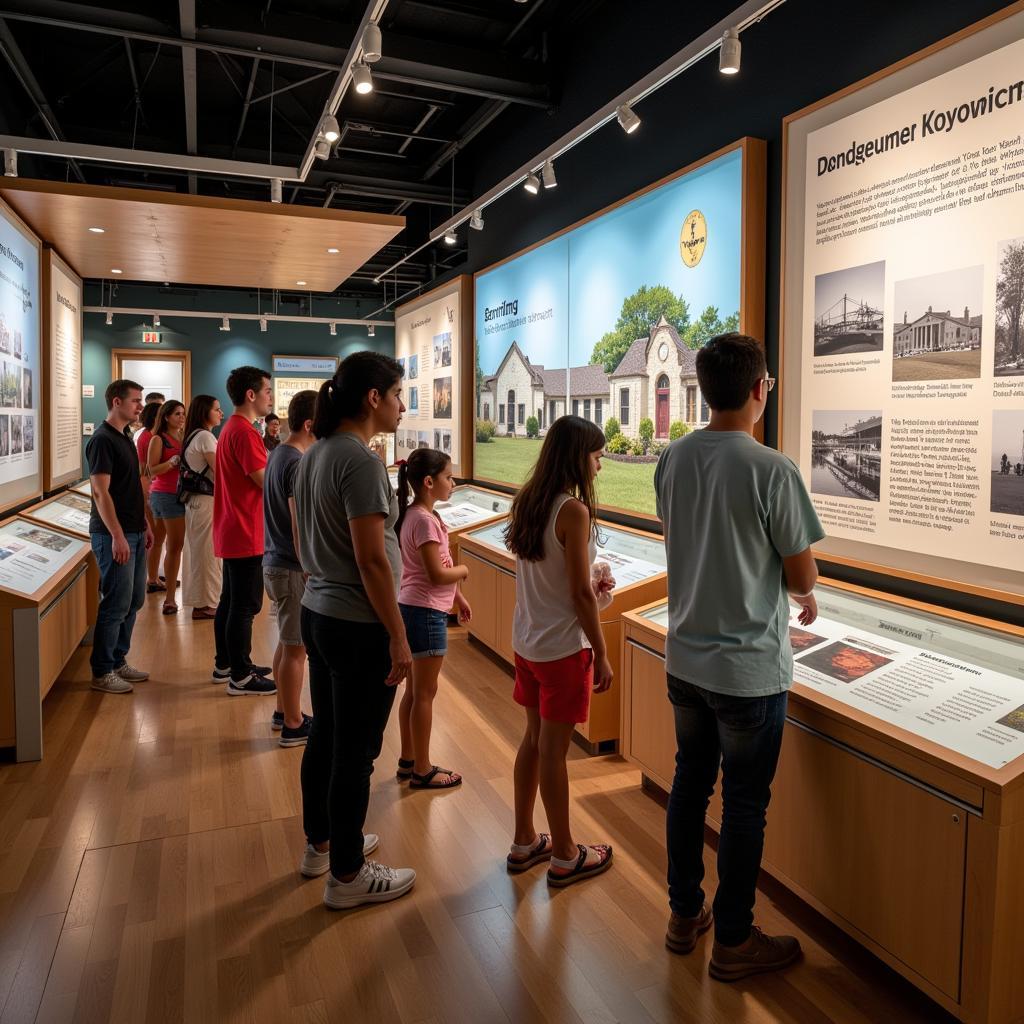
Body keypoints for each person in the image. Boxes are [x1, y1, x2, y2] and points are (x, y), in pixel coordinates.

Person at [653, 333, 824, 981]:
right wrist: (803, 594)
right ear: (759, 391)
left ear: (700, 389)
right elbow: (800, 570)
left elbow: (689, 539)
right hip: (748, 673)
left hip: (685, 663)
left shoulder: (673, 458)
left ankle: (682, 915)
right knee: (745, 805)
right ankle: (733, 938)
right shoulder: (772, 469)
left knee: (689, 786)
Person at [293, 351, 415, 910]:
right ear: (374, 398)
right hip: (357, 623)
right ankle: (347, 874)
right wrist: (398, 634)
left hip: (319, 611)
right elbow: (372, 560)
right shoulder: (361, 462)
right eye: (397, 393)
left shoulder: (316, 454)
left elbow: (306, 544)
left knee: (326, 734)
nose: (401, 404)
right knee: (356, 752)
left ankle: (325, 842)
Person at [503, 415, 615, 888]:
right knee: (553, 753)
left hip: (528, 643)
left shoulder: (530, 500)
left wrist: (590, 587)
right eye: (596, 457)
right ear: (577, 457)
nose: (599, 467)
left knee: (533, 743)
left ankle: (525, 838)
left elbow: (556, 582)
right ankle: (566, 853)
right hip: (561, 652)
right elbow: (579, 596)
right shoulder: (573, 511)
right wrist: (603, 652)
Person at [394, 448, 473, 789]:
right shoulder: (424, 521)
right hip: (425, 613)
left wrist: (459, 597)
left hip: (419, 608)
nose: (452, 483)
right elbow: (437, 573)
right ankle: (422, 769)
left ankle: (409, 758)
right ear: (429, 482)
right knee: (424, 693)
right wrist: (464, 571)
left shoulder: (420, 515)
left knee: (414, 692)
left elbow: (434, 570)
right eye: (448, 477)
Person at [212, 366, 276, 695]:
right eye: (267, 391)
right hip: (245, 528)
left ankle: (227, 662)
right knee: (245, 605)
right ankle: (240, 674)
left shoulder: (231, 428)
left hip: (234, 526)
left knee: (231, 600)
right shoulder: (245, 432)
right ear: (251, 395)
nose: (271, 398)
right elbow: (265, 482)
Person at [86, 380, 154, 694]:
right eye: (135, 401)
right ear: (117, 401)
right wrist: (117, 535)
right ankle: (102, 671)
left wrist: (144, 525)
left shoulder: (125, 436)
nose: (141, 406)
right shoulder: (102, 439)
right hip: (114, 534)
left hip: (134, 531)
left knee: (135, 599)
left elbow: (129, 488)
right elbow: (101, 492)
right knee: (115, 602)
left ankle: (118, 660)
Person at [264, 390, 317, 747]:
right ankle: (294, 724)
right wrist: (308, 564)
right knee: (297, 648)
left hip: (276, 561)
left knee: (287, 643)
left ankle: (284, 710)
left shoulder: (279, 454)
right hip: (290, 565)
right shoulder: (296, 462)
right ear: (311, 425)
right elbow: (299, 522)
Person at [181, 394, 223, 620]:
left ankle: (203, 601)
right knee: (207, 554)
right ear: (205, 411)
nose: (221, 413)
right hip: (206, 501)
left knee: (200, 552)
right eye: (217, 409)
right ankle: (206, 603)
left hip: (197, 502)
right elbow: (220, 472)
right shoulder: (205, 437)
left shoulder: (194, 435)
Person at [147, 400, 186, 615]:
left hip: (176, 494)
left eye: (183, 413)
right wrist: (171, 462)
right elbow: (151, 470)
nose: (181, 417)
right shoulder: (158, 439)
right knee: (174, 545)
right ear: (166, 416)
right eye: (177, 414)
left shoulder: (182, 437)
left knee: (161, 541)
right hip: (166, 495)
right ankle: (170, 599)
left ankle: (153, 580)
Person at [136, 401, 167, 593]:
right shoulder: (150, 437)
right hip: (149, 487)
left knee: (156, 536)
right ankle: (152, 578)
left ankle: (154, 574)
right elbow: (148, 469)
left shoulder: (148, 436)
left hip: (148, 486)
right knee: (155, 537)